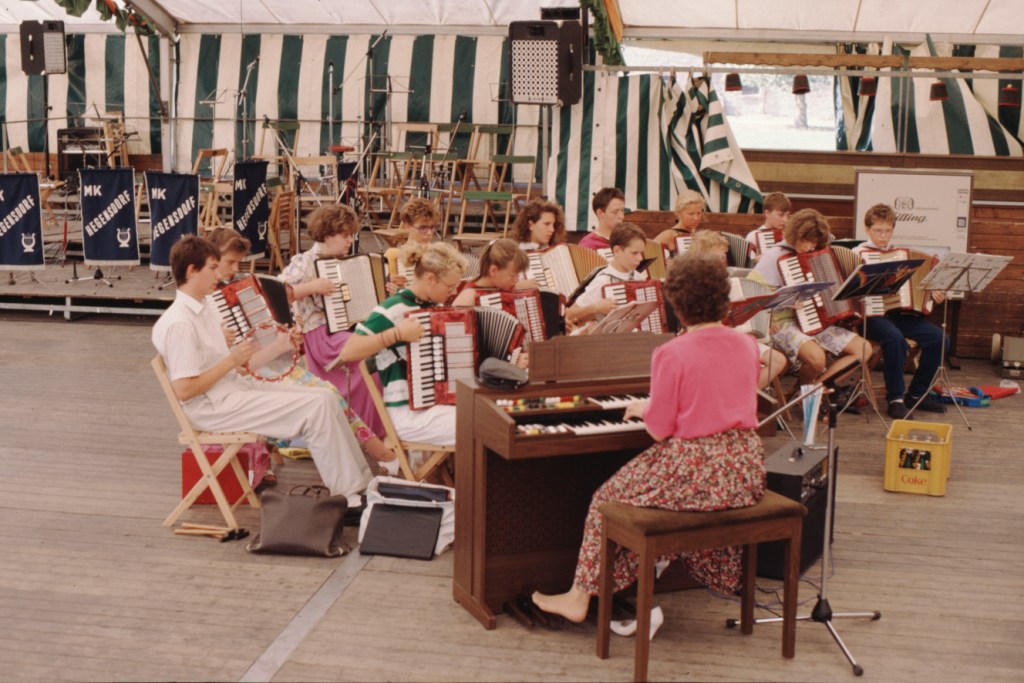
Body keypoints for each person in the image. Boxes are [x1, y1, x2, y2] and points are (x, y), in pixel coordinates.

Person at [532, 253, 766, 623]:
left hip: (697, 468)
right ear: (723, 299)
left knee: (604, 500)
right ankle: (634, 579)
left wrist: (645, 408)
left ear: (677, 303)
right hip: (744, 469)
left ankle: (579, 597)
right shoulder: (747, 344)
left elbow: (659, 430)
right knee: (642, 500)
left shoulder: (672, 352)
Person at [151, 236, 371, 508]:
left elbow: (239, 367)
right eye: (212, 268)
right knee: (315, 408)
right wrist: (230, 361)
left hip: (232, 389)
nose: (219, 275)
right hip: (210, 407)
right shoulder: (180, 323)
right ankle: (347, 496)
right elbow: (185, 390)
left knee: (324, 397)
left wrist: (280, 345)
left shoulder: (206, 309)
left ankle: (359, 486)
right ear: (191, 271)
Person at [341, 241, 468, 446]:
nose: (454, 292)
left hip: (437, 406)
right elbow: (348, 352)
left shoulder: (435, 308)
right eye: (450, 286)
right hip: (408, 414)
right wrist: (397, 334)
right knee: (479, 425)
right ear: (430, 278)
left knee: (492, 417)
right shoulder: (393, 308)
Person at [278, 204, 386, 439]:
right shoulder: (305, 261)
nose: (350, 241)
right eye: (345, 235)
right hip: (320, 335)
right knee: (372, 360)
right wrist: (310, 287)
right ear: (327, 235)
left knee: (381, 359)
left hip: (342, 331)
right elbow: (277, 291)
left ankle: (371, 429)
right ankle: (371, 434)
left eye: (351, 235)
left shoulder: (344, 261)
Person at [752, 208, 872, 386]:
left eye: (814, 243)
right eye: (806, 241)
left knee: (863, 349)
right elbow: (752, 293)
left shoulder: (818, 254)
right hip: (781, 322)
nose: (809, 247)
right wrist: (777, 308)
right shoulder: (773, 256)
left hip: (816, 320)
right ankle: (807, 394)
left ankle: (815, 391)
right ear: (795, 234)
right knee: (817, 359)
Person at [852, 203, 947, 418]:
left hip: (899, 315)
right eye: (878, 230)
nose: (883, 236)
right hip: (871, 316)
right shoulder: (857, 254)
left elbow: (923, 287)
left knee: (940, 339)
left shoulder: (903, 255)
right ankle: (895, 399)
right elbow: (847, 292)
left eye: (888, 231)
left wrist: (935, 294)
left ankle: (917, 394)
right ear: (867, 229)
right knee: (895, 339)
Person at [689, 230, 787, 390]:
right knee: (743, 364)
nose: (720, 263)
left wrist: (766, 324)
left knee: (777, 360)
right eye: (715, 258)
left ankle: (743, 396)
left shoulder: (729, 281)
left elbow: (748, 316)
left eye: (722, 258)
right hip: (711, 344)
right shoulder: (691, 284)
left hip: (738, 339)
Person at [569, 222, 648, 325]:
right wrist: (595, 308)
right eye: (634, 253)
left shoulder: (638, 277)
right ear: (617, 251)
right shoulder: (603, 281)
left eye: (641, 253)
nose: (640, 258)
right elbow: (569, 314)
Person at [385, 198, 440, 295]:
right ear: (407, 226)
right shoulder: (393, 256)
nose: (429, 233)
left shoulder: (439, 255)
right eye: (423, 228)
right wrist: (386, 282)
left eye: (432, 227)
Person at [744, 191, 792, 262]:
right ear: (767, 213)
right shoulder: (752, 236)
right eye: (781, 215)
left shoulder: (789, 235)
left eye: (787, 215)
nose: (785, 220)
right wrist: (757, 259)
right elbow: (748, 264)